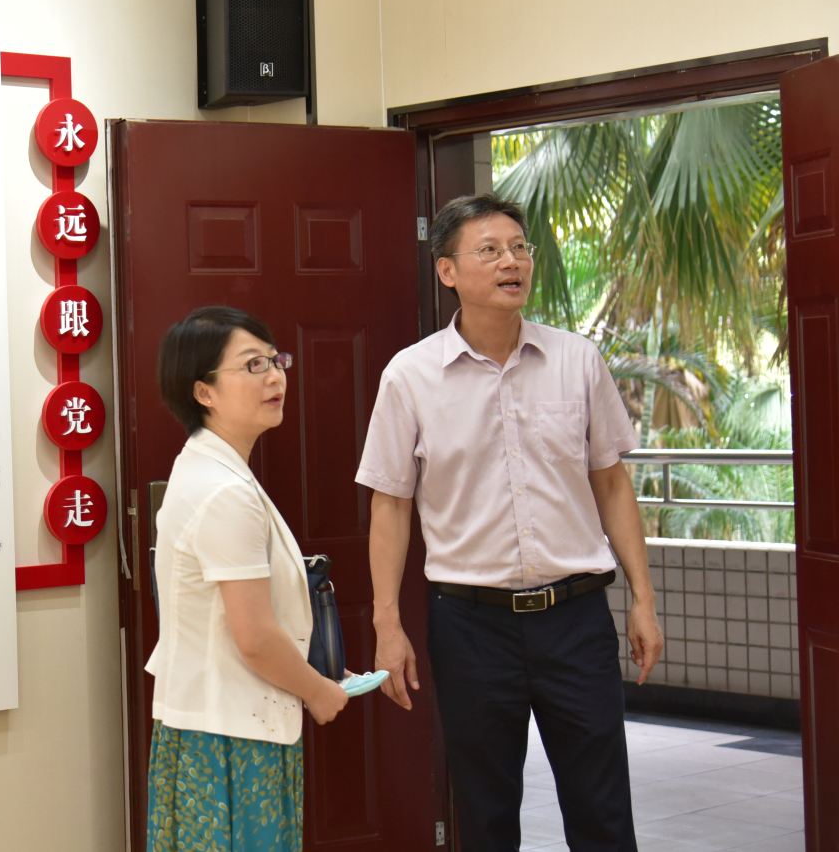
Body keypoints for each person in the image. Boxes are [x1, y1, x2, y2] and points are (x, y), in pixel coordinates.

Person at [357, 194, 663, 852]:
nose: (511, 262)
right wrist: (387, 622)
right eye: (490, 250)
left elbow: (611, 481)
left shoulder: (577, 360)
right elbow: (390, 502)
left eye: (520, 248)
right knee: (486, 813)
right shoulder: (410, 376)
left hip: (576, 618)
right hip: (471, 626)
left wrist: (643, 597)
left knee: (603, 810)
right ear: (447, 271)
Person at [146, 305, 349, 852]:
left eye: (275, 361)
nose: (275, 377)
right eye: (253, 365)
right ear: (204, 392)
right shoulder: (225, 492)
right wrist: (319, 693)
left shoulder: (207, 467)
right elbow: (254, 637)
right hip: (230, 738)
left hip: (217, 722)